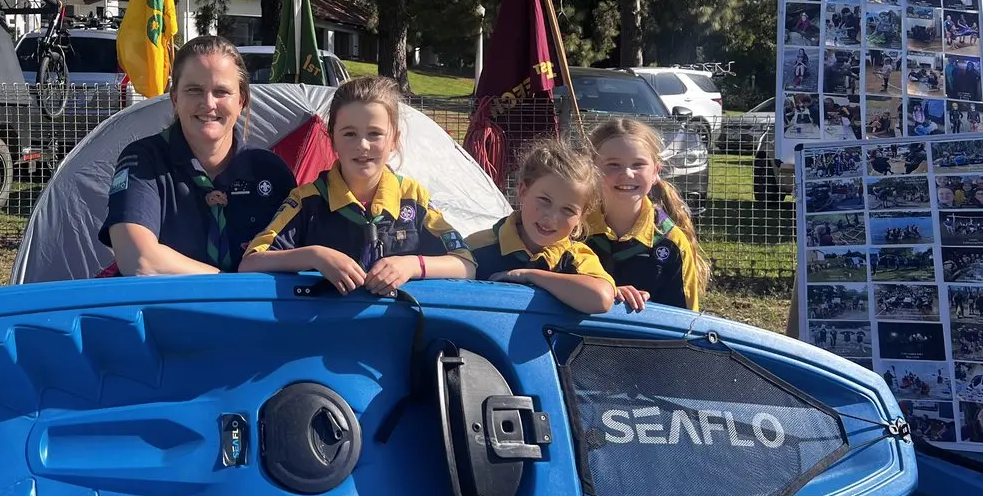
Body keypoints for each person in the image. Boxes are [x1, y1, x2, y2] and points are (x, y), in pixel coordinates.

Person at [241, 76, 475, 294]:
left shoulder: (413, 198)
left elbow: (465, 264)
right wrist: (315, 256)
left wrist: (412, 265)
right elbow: (250, 263)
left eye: (375, 134)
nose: (362, 145)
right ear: (332, 138)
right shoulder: (307, 201)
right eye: (349, 134)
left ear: (394, 139)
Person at [100, 35, 297, 275]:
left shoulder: (271, 172)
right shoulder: (143, 160)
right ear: (175, 99)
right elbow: (139, 260)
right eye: (194, 90)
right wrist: (228, 287)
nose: (208, 103)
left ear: (241, 101)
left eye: (221, 91)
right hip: (165, 312)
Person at [463, 139, 616, 313]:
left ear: (582, 217)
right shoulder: (476, 246)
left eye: (568, 210)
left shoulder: (577, 258)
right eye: (544, 201)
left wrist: (529, 276)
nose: (551, 218)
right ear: (523, 191)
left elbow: (601, 299)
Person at [583, 119, 710, 312]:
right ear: (592, 169)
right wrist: (605, 293)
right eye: (613, 164)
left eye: (638, 164)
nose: (626, 173)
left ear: (656, 172)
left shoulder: (672, 242)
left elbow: (683, 324)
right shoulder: (574, 228)